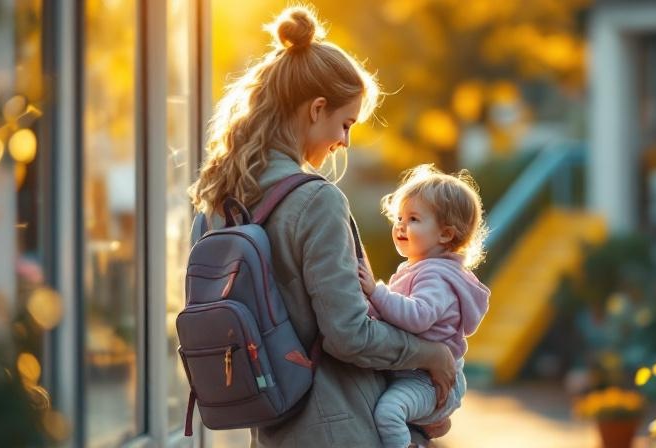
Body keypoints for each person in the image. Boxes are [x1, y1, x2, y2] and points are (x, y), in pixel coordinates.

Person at [187, 6, 456, 447]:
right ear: (316, 109)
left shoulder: (217, 199)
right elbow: (349, 335)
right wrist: (431, 356)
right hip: (343, 427)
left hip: (273, 429)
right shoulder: (316, 200)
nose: (345, 142)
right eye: (345, 124)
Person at [357, 164, 491, 448]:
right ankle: (431, 425)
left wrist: (375, 292)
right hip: (419, 375)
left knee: (389, 412)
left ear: (445, 234)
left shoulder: (436, 276)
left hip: (428, 381)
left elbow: (417, 317)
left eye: (414, 219)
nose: (400, 226)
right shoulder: (419, 268)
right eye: (399, 217)